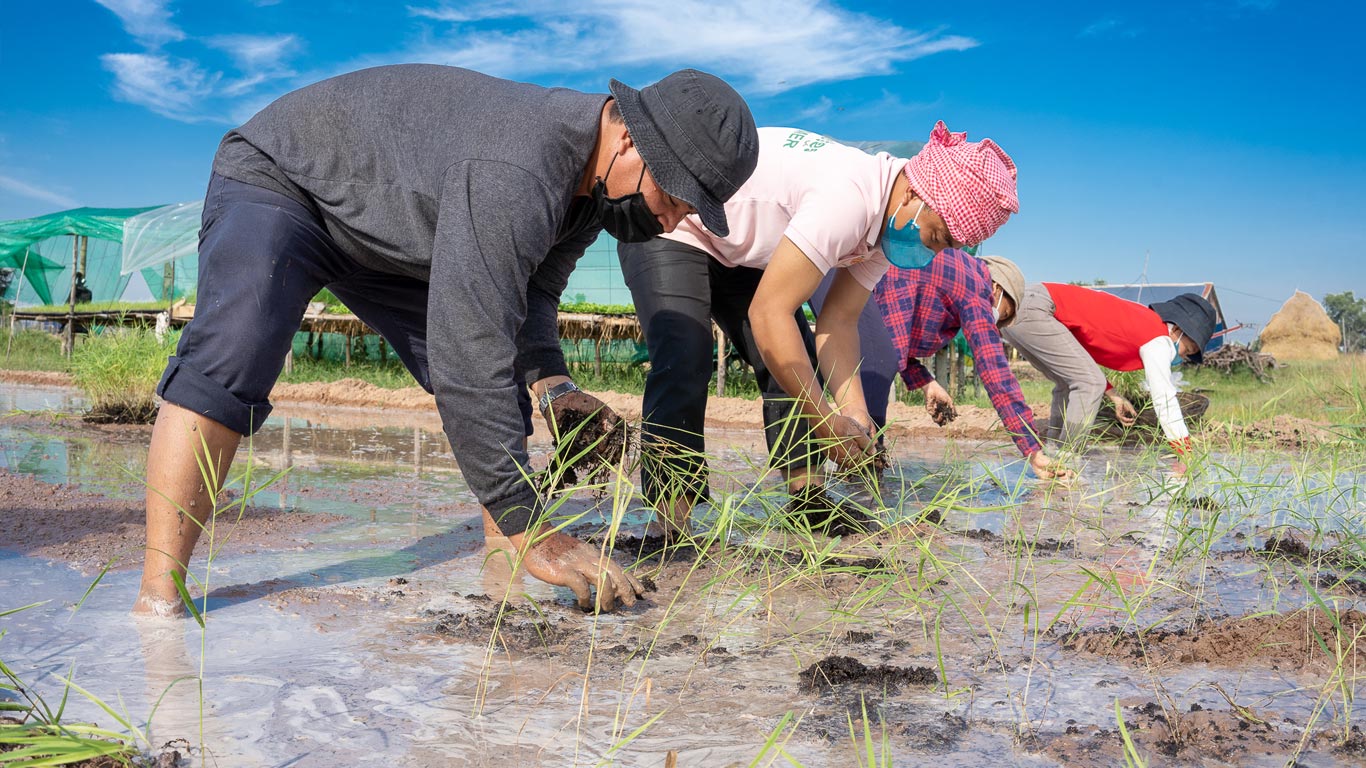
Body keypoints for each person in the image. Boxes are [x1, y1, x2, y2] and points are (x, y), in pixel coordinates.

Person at [134, 64, 759, 616]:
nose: (676, 220)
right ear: (629, 139)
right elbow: (469, 356)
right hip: (286, 181)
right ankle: (160, 600)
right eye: (675, 196)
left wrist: (555, 385)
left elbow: (531, 301)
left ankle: (504, 572)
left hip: (390, 237)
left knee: (506, 384)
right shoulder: (517, 167)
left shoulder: (586, 194)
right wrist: (537, 525)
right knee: (232, 360)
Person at [620, 122, 1024, 536]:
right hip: (675, 223)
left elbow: (839, 321)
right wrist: (826, 423)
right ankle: (670, 526)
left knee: (793, 366)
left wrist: (855, 416)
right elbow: (769, 314)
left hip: (735, 252)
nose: (932, 251)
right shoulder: (849, 197)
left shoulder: (887, 226)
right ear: (913, 194)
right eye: (935, 235)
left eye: (945, 246)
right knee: (684, 355)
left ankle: (808, 503)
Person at [824, 252, 1069, 479]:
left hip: (848, 277)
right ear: (997, 288)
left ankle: (832, 469)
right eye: (1002, 313)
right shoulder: (976, 287)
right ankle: (861, 473)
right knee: (876, 374)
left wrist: (928, 384)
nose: (995, 319)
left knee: (825, 367)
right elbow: (996, 374)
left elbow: (895, 338)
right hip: (848, 271)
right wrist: (1033, 451)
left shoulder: (953, 275)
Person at [999, 284, 1216, 457]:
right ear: (1177, 328)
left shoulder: (1140, 323)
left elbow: (1078, 360)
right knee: (1088, 384)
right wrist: (1185, 453)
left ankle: (1052, 452)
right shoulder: (1159, 339)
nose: (1184, 355)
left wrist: (1114, 396)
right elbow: (1165, 399)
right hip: (1037, 308)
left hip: (1016, 308)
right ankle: (1067, 458)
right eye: (1190, 348)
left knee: (1069, 383)